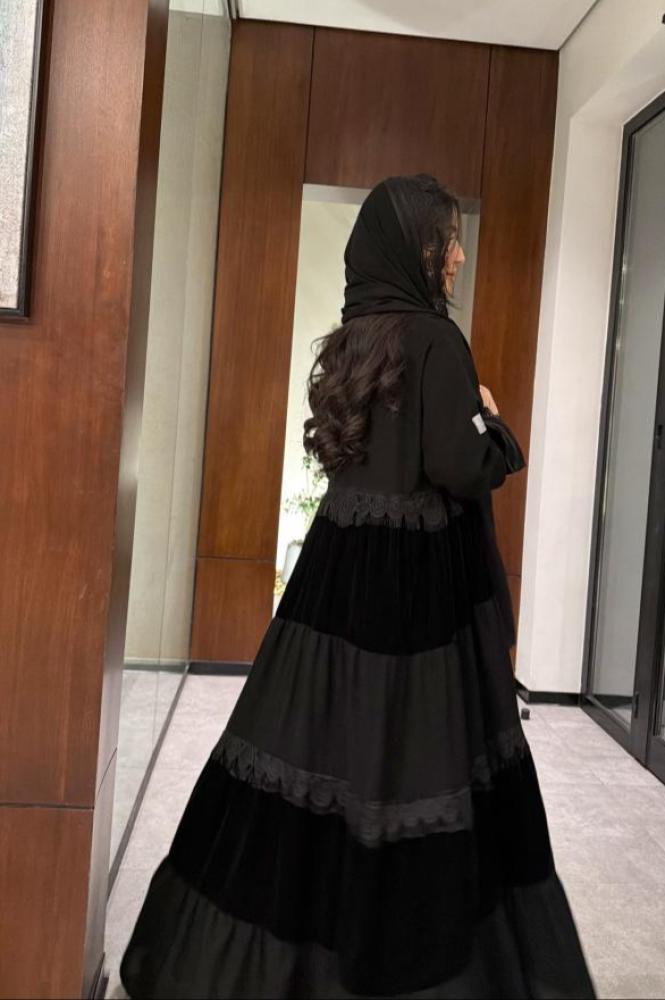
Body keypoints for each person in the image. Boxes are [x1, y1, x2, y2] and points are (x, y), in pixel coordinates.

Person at [120, 174, 596, 998]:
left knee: (308, 735)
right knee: (421, 747)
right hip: (417, 585)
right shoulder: (435, 340)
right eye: (444, 240)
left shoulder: (353, 337)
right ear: (411, 248)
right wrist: (492, 422)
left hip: (339, 565)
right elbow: (460, 466)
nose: (455, 257)